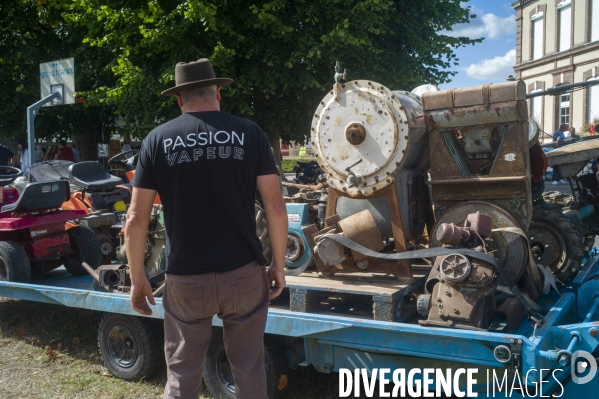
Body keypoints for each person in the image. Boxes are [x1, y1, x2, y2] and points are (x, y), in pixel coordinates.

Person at [126, 58, 288, 399]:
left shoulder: (157, 140)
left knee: (183, 374)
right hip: (244, 273)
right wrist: (279, 266)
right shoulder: (250, 134)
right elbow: (274, 206)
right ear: (218, 92)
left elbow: (136, 218)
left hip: (186, 278)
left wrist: (138, 276)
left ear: (179, 99)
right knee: (249, 370)